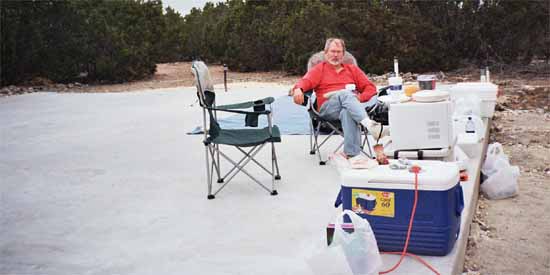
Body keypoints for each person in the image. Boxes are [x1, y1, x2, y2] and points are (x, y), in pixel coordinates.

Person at [291, 38, 384, 158]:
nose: (335, 55)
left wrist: (359, 98)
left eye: (338, 52)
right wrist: (298, 89)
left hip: (349, 107)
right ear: (326, 53)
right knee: (344, 93)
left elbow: (370, 88)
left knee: (347, 111)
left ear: (343, 54)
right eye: (332, 51)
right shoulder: (319, 69)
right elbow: (305, 81)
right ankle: (370, 125)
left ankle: (352, 155)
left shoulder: (352, 70)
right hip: (327, 108)